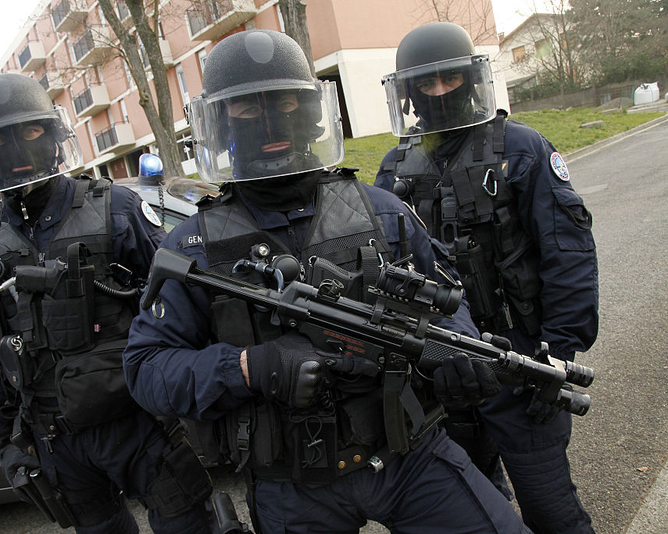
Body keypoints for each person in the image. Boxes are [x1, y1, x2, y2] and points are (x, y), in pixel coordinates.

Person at [124, 29, 530, 533]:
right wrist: (249, 366)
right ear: (222, 125)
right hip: (290, 483)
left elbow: (447, 301)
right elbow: (146, 369)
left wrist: (462, 352)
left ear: (314, 112)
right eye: (250, 110)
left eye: (287, 101)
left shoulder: (380, 209)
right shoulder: (192, 246)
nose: (272, 121)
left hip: (406, 454)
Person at [0, 73, 212, 534]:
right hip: (55, 437)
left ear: (52, 137)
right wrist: (2, 440)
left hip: (137, 421)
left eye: (29, 132)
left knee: (189, 525)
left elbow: (182, 309)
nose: (15, 150)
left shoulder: (116, 208)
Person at [375, 22, 598, 534]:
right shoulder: (394, 169)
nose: (437, 93)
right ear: (407, 95)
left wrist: (559, 353)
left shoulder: (520, 149)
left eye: (448, 80)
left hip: (521, 362)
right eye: (425, 85)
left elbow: (568, 254)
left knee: (551, 512)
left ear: (470, 81)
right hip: (442, 367)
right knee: (476, 513)